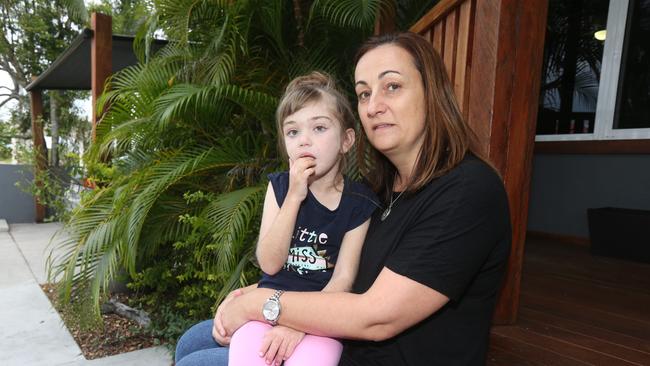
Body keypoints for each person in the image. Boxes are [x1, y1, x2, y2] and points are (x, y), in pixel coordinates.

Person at [179, 31, 511, 366]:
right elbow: (327, 266)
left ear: (433, 93)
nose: (374, 106)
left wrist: (265, 305)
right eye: (364, 93)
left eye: (392, 86)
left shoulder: (467, 191)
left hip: (367, 353)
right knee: (192, 341)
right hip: (337, 329)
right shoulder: (380, 189)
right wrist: (255, 292)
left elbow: (377, 317)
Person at [176, 72, 378, 366]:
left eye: (319, 128)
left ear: (346, 140)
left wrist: (298, 325)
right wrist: (295, 197)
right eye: (293, 132)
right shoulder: (281, 187)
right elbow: (269, 263)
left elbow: (343, 279)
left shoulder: (358, 204)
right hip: (266, 307)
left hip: (323, 316)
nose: (304, 141)